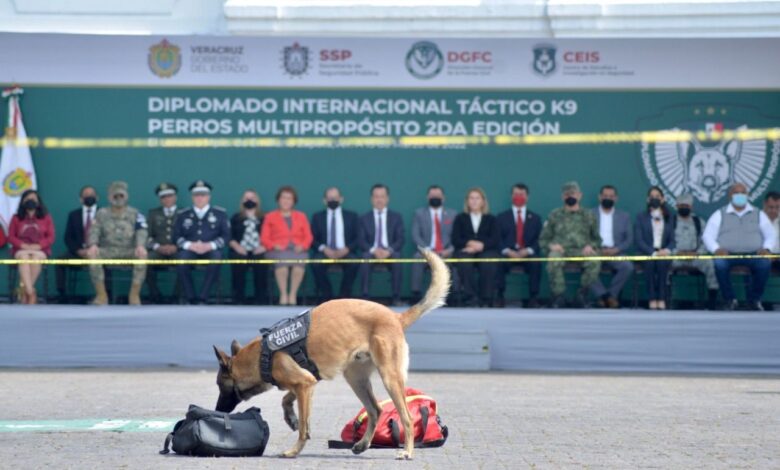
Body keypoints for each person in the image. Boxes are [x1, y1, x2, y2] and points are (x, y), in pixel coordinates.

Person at [703, 183, 775, 311]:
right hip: (728, 255)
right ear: (730, 196)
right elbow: (707, 236)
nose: (740, 195)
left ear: (747, 195)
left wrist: (767, 248)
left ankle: (754, 300)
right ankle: (730, 300)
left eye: (743, 193)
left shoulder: (758, 213)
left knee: (764, 263)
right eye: (736, 193)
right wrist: (716, 249)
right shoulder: (720, 213)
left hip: (753, 255)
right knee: (719, 264)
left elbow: (771, 234)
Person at [539, 181, 601, 308]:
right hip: (561, 250)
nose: (570, 197)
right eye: (567, 194)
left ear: (579, 195)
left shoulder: (589, 215)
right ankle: (558, 297)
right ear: (562, 197)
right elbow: (543, 239)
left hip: (582, 250)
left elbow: (597, 239)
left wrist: (591, 246)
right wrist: (551, 246)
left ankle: (581, 295)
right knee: (553, 259)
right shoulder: (554, 215)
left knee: (594, 260)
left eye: (573, 193)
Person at [86, 181, 148, 305]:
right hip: (108, 249)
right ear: (110, 197)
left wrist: (140, 245)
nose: (118, 199)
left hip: (129, 249)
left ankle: (134, 295)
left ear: (126, 197)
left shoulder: (135, 213)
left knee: (142, 255)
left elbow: (142, 230)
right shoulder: (101, 213)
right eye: (115, 196)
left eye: (121, 196)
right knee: (92, 255)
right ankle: (102, 295)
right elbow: (94, 230)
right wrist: (93, 244)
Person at [174, 180, 230, 305]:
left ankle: (203, 296)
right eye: (196, 195)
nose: (200, 198)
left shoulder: (219, 213)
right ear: (192, 197)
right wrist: (190, 245)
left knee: (216, 257)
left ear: (209, 196)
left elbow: (226, 236)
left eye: (203, 194)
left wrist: (210, 245)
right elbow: (176, 236)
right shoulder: (183, 214)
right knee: (181, 259)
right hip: (190, 248)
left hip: (210, 249)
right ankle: (190, 297)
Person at [261, 186, 313, 305]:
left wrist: (303, 245)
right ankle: (283, 294)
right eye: (283, 197)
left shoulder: (301, 216)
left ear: (294, 201)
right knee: (282, 263)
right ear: (278, 200)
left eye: (289, 198)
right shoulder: (270, 216)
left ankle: (292, 294)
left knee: (299, 264)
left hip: (297, 250)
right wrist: (274, 245)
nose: (286, 201)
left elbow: (308, 237)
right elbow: (264, 238)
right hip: (277, 250)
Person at [451, 187, 501, 307]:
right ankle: (470, 295)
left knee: (488, 261)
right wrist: (469, 243)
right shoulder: (460, 218)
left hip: (487, 250)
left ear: (483, 201)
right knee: (464, 260)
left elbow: (495, 239)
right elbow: (456, 239)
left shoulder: (491, 219)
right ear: (467, 201)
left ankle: (486, 297)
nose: (474, 201)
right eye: (471, 198)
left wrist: (481, 245)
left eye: (477, 198)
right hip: (466, 250)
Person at [496, 183, 542, 308]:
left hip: (527, 254)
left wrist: (528, 250)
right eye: (516, 194)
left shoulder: (536, 218)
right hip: (508, 253)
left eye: (521, 194)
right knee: (497, 261)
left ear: (527, 197)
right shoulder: (501, 217)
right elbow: (498, 239)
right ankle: (500, 296)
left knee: (536, 262)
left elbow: (540, 240)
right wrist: (507, 251)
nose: (518, 197)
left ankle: (533, 298)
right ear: (511, 196)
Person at [358, 184, 405, 306]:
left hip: (390, 252)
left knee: (397, 257)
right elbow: (361, 241)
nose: (379, 200)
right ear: (371, 199)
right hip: (371, 252)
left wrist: (388, 251)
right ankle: (365, 297)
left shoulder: (396, 217)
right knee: (365, 257)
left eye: (382, 196)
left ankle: (396, 297)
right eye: (376, 196)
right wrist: (374, 250)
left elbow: (400, 239)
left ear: (387, 198)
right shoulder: (364, 218)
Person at [310, 187, 359, 302]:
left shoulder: (352, 216)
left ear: (341, 199)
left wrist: (347, 248)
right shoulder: (317, 217)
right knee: (316, 263)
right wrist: (324, 249)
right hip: (325, 252)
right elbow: (312, 239)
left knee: (355, 262)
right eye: (329, 198)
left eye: (335, 198)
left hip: (346, 251)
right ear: (324, 200)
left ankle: (343, 296)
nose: (333, 200)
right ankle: (327, 295)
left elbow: (358, 238)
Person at [670, 193, 719, 308]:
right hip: (676, 256)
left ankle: (712, 300)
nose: (684, 207)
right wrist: (676, 252)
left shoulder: (698, 222)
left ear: (691, 207)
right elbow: (666, 241)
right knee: (663, 264)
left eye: (686, 205)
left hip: (695, 256)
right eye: (681, 205)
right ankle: (667, 298)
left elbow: (706, 240)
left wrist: (697, 253)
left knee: (710, 264)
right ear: (676, 206)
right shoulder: (670, 221)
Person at [410, 185, 456, 303]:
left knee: (455, 259)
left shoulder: (452, 214)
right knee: (417, 258)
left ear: (443, 198)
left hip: (446, 251)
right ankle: (416, 294)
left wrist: (448, 250)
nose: (435, 198)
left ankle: (452, 296)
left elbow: (456, 237)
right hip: (426, 251)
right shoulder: (419, 213)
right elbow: (415, 235)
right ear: (427, 197)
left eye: (438, 196)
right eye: (432, 196)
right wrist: (427, 251)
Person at [7, 190, 55, 304]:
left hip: (40, 249)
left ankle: (24, 290)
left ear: (38, 202)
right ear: (23, 201)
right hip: (21, 249)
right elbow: (11, 236)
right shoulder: (16, 218)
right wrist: (22, 245)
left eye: (33, 199)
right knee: (24, 258)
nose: (31, 201)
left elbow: (51, 237)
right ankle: (31, 291)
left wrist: (38, 246)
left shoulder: (46, 218)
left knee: (35, 259)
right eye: (28, 199)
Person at [590, 185, 634, 308]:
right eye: (605, 196)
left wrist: (616, 249)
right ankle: (603, 296)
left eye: (611, 196)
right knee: (587, 265)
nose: (608, 198)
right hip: (596, 252)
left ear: (616, 198)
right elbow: (584, 236)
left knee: (627, 266)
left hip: (616, 252)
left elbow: (629, 239)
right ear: (600, 197)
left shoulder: (624, 216)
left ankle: (611, 296)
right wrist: (596, 249)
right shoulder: (589, 214)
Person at [635, 186, 675, 310]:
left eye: (657, 196)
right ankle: (652, 298)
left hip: (664, 253)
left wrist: (666, 250)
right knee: (650, 264)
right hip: (647, 253)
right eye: (652, 197)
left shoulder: (670, 217)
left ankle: (662, 298)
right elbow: (639, 240)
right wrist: (652, 252)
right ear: (648, 200)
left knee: (662, 264)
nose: (655, 199)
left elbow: (673, 240)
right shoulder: (641, 217)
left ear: (663, 199)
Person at [56, 185, 98, 303]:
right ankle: (62, 295)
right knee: (60, 260)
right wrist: (79, 250)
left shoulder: (103, 214)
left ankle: (105, 295)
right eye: (86, 195)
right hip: (78, 252)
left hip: (97, 252)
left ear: (97, 197)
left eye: (92, 195)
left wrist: (93, 249)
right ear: (81, 199)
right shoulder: (73, 215)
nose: (89, 197)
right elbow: (68, 238)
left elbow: (107, 237)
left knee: (106, 261)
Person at [229, 190, 268, 305]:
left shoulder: (265, 217)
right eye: (246, 198)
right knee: (238, 261)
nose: (249, 200)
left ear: (257, 200)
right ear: (242, 201)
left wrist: (264, 247)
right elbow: (230, 237)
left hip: (259, 249)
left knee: (261, 263)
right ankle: (238, 298)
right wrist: (237, 247)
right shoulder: (236, 217)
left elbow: (271, 234)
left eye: (252, 198)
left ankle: (261, 298)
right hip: (240, 249)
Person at [146, 183, 179, 303]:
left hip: (177, 250)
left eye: (170, 196)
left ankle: (177, 296)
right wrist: (157, 247)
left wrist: (176, 246)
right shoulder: (153, 214)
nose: (167, 199)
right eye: (163, 197)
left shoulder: (183, 213)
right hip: (158, 250)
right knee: (144, 261)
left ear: (175, 197)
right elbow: (146, 235)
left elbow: (188, 234)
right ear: (160, 199)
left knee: (185, 261)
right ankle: (155, 295)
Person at [762, 191, 780, 260]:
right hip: (762, 256)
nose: (774, 211)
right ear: (764, 204)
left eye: (777, 207)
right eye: (771, 207)